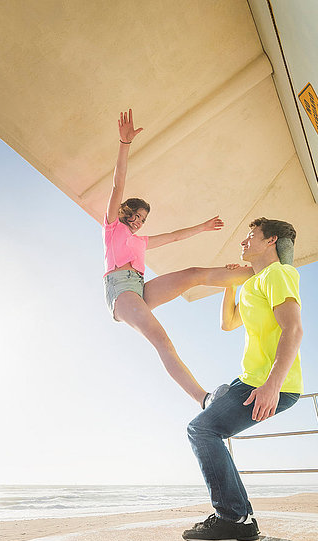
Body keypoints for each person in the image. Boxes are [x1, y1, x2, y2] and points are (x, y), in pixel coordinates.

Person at [104, 109, 253, 406]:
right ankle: (204, 398)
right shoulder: (111, 227)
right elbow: (117, 185)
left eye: (142, 219)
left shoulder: (141, 242)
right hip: (121, 292)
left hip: (139, 287)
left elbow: (173, 236)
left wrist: (204, 226)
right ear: (124, 212)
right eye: (134, 215)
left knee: (193, 273)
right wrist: (125, 144)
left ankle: (254, 271)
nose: (137, 221)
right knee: (162, 339)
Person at [182, 217, 303, 541]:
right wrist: (230, 283)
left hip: (270, 383)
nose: (244, 241)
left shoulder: (279, 274)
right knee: (205, 429)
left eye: (251, 236)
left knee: (203, 429)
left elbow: (293, 329)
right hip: (248, 379)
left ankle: (234, 519)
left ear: (270, 241)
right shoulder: (254, 283)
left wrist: (273, 384)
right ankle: (240, 519)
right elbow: (227, 323)